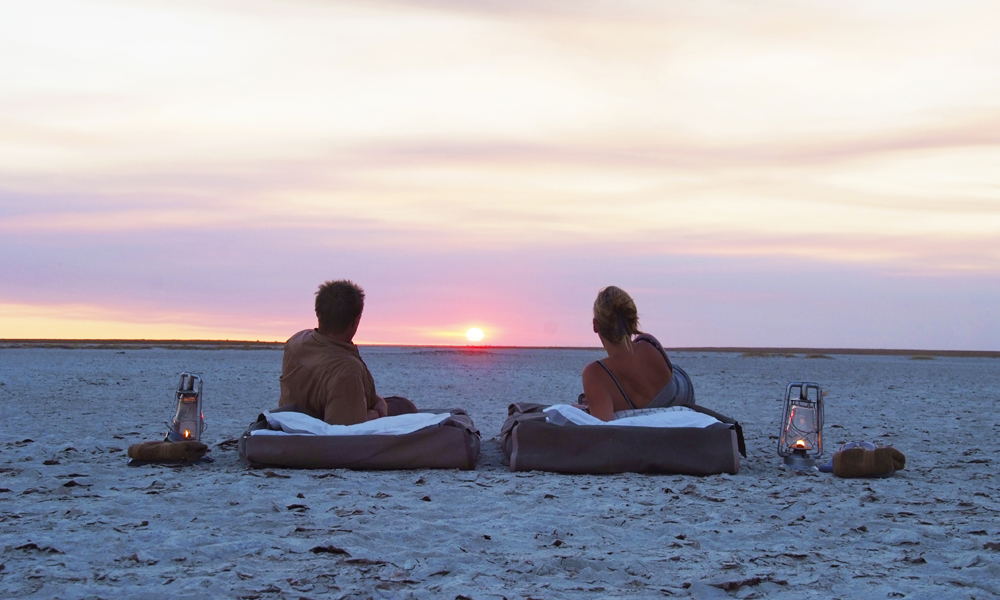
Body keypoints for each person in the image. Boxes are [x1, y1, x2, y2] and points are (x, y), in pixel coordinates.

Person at [279, 279, 412, 425]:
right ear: (355, 322)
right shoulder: (346, 370)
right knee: (407, 410)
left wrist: (377, 401)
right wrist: (376, 415)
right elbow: (344, 433)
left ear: (318, 314)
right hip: (322, 436)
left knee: (401, 404)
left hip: (294, 421)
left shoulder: (297, 340)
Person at [580, 286, 696, 421]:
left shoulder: (595, 374)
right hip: (680, 390)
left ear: (595, 325)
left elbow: (603, 430)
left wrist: (585, 412)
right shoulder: (649, 343)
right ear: (633, 322)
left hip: (673, 386)